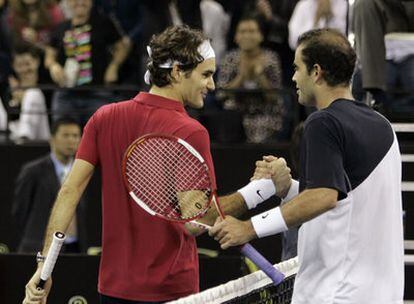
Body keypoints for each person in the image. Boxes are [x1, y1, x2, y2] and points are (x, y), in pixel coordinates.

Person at [23, 25, 292, 304]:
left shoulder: (104, 117)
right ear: (177, 72)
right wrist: (260, 189)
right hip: (170, 292)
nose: (212, 85)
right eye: (206, 74)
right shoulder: (191, 131)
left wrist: (45, 266)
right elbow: (197, 221)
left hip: (112, 290)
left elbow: (69, 192)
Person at [210, 28, 404, 304]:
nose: (293, 78)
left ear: (316, 72)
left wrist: (248, 228)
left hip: (337, 294)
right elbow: (346, 200)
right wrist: (288, 188)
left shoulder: (322, 122)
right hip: (382, 295)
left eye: (296, 68)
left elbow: (323, 197)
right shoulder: (384, 127)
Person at [12, 117, 85, 253]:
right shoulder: (32, 171)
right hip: (38, 249)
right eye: (65, 135)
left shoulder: (82, 172)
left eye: (75, 135)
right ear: (52, 139)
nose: (71, 140)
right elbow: (20, 212)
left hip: (75, 248)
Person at [217, 15, 285, 143]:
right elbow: (221, 94)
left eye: (252, 31)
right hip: (235, 111)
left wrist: (260, 76)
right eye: (242, 31)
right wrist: (240, 77)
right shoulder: (229, 59)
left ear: (261, 36)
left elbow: (275, 96)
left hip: (264, 112)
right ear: (236, 37)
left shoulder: (271, 59)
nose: (247, 35)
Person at [7, 43, 50, 142]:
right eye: (19, 65)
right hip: (13, 137)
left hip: (42, 138)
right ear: (13, 66)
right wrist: (16, 102)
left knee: (33, 93)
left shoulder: (47, 82)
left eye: (28, 64)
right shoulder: (10, 90)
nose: (25, 69)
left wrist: (24, 97)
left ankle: (25, 137)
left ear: (37, 62)